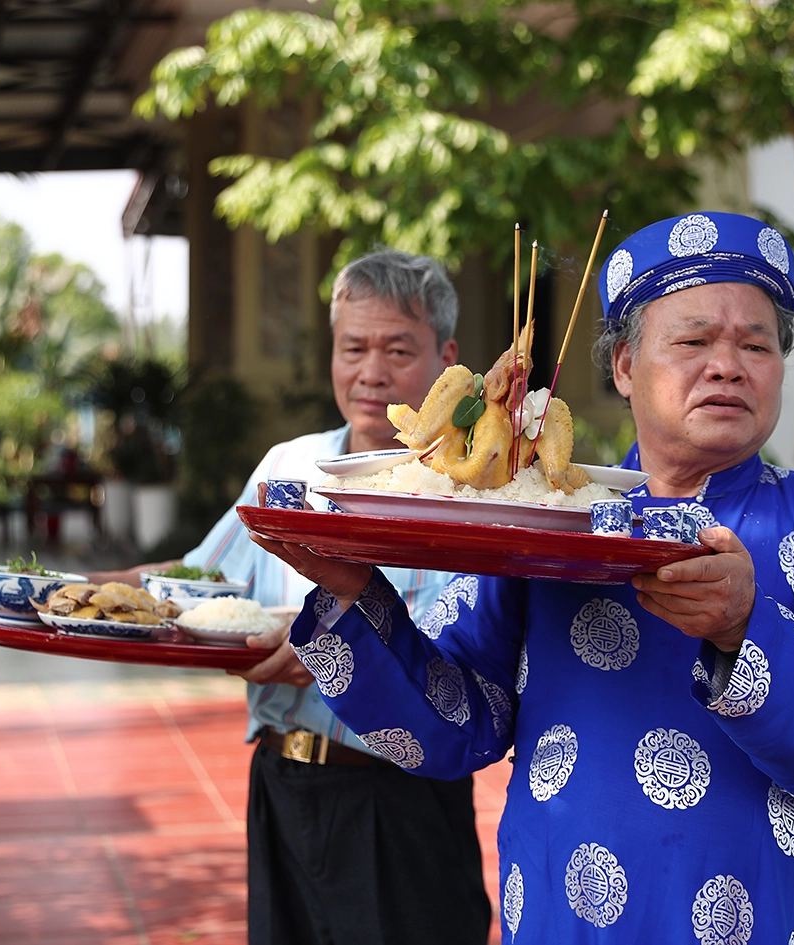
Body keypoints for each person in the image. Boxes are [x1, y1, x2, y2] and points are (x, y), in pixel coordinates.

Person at [253, 213, 794, 943]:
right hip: (558, 920)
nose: (726, 365)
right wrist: (353, 595)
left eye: (755, 344)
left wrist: (743, 627)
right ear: (625, 366)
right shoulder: (549, 513)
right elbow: (450, 727)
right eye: (694, 340)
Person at [104, 251, 491, 945]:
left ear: (447, 356)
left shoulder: (474, 492)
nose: (371, 372)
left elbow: (464, 662)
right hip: (281, 781)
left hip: (400, 800)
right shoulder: (290, 466)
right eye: (353, 347)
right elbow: (202, 582)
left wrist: (337, 649)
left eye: (398, 349)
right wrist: (86, 594)